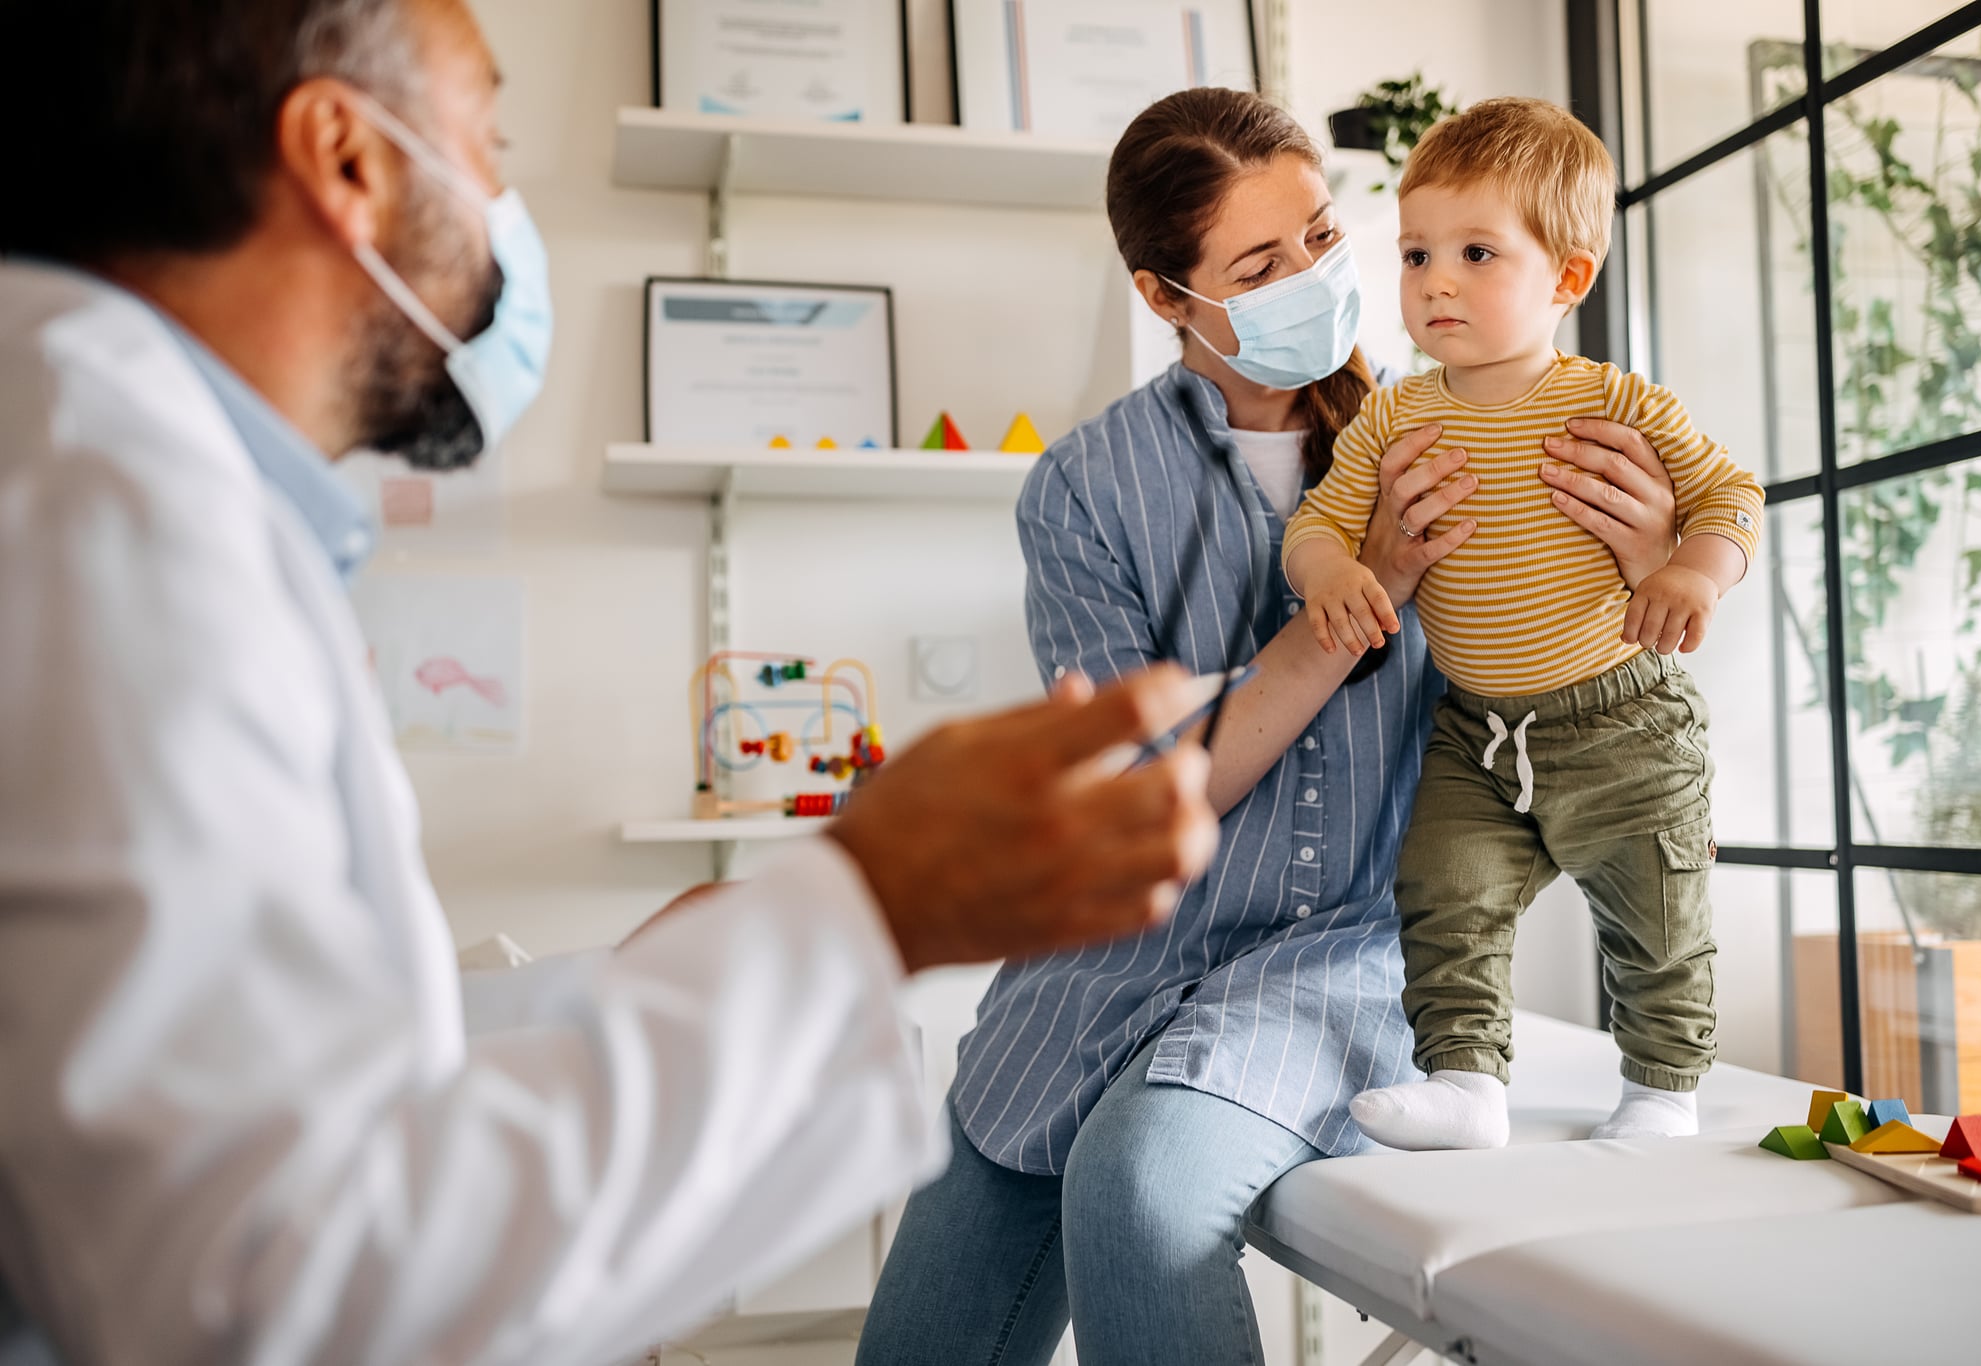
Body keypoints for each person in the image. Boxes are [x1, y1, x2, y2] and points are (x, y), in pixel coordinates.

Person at [0, 2, 1219, 1363]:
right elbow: (248, 1296)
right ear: (344, 155)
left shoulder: (111, 477)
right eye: (490, 139)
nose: (505, 206)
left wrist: (631, 984)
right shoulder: (111, 524)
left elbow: (240, 1095)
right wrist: (867, 908)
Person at [856, 87, 1685, 1366]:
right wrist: (1365, 596)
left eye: (1318, 237)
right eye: (1257, 264)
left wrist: (1643, 565)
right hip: (1096, 970)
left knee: (1137, 1194)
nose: (1309, 275)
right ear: (1164, 297)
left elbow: (1585, 698)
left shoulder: (1459, 433)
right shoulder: (1083, 490)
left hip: (1343, 959)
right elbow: (1142, 805)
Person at [1284, 97, 1766, 1152]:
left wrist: (1695, 569)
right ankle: (1464, 1081)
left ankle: (1658, 1090)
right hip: (1476, 729)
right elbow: (1317, 522)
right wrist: (1328, 571)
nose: (1434, 280)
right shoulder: (1394, 413)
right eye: (1414, 254)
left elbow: (1732, 497)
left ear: (1567, 278)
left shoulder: (1616, 402)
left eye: (1473, 252)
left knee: (1655, 914)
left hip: (1619, 720)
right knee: (1443, 891)